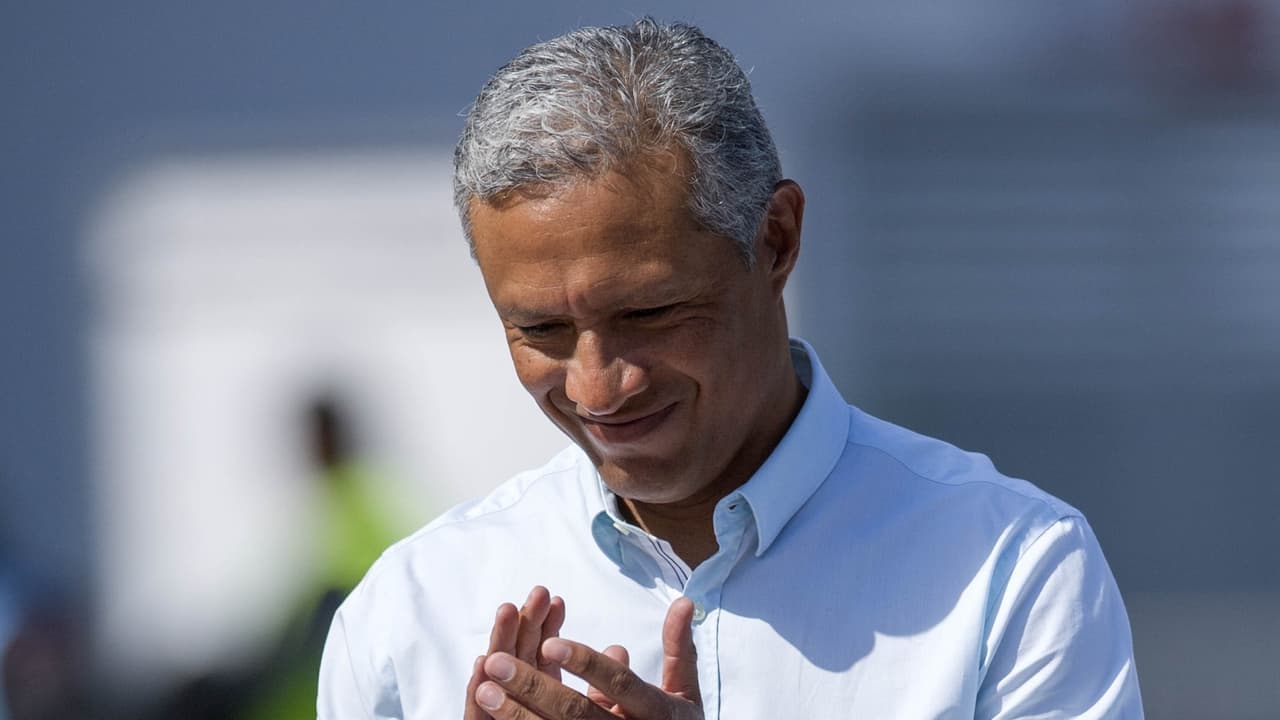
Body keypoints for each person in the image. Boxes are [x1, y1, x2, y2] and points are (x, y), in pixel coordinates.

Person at [318, 18, 1143, 719]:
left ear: (775, 241)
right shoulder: (409, 614)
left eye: (649, 313)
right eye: (540, 330)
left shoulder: (1012, 571)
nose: (598, 387)